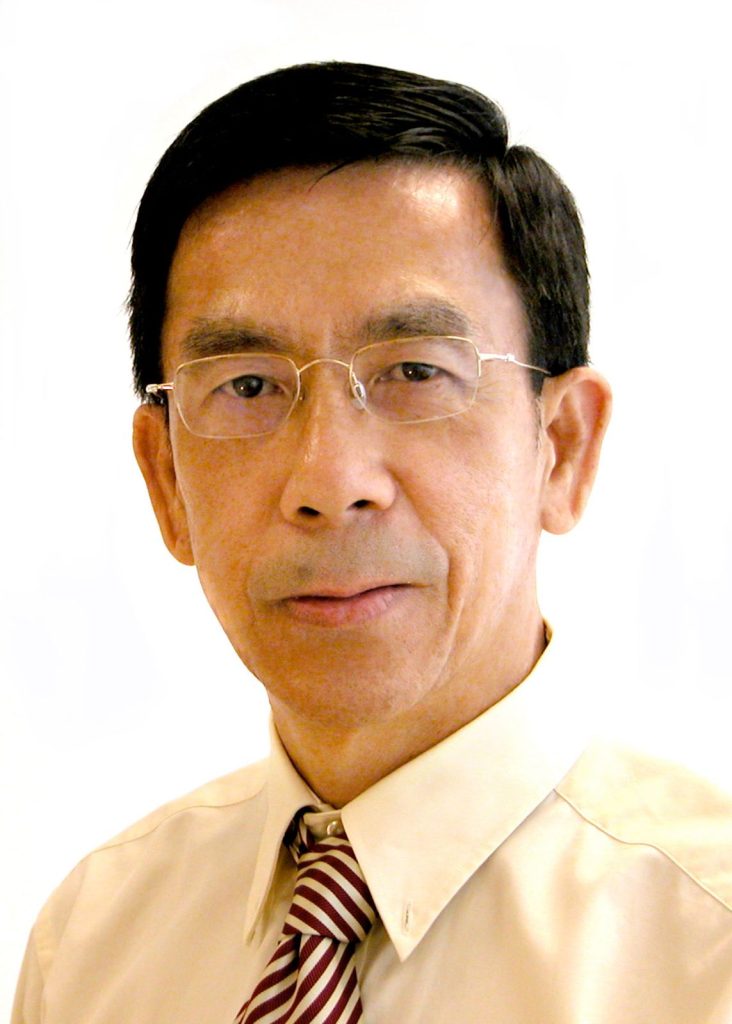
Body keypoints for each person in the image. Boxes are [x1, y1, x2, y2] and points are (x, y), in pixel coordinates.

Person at [12, 61, 732, 1023]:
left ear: (561, 446)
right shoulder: (94, 948)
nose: (329, 480)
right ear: (167, 478)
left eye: (416, 372)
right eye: (248, 386)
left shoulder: (705, 950)